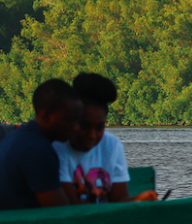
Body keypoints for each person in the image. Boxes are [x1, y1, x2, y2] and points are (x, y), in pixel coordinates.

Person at [52, 73, 158, 204]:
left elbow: (119, 199)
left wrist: (138, 200)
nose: (92, 135)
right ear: (72, 120)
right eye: (84, 126)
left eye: (99, 127)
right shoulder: (57, 146)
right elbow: (70, 207)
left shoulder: (112, 145)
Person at [0, 79, 82, 210]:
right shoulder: (37, 150)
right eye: (70, 120)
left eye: (78, 121)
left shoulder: (17, 137)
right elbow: (60, 213)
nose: (76, 127)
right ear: (46, 116)